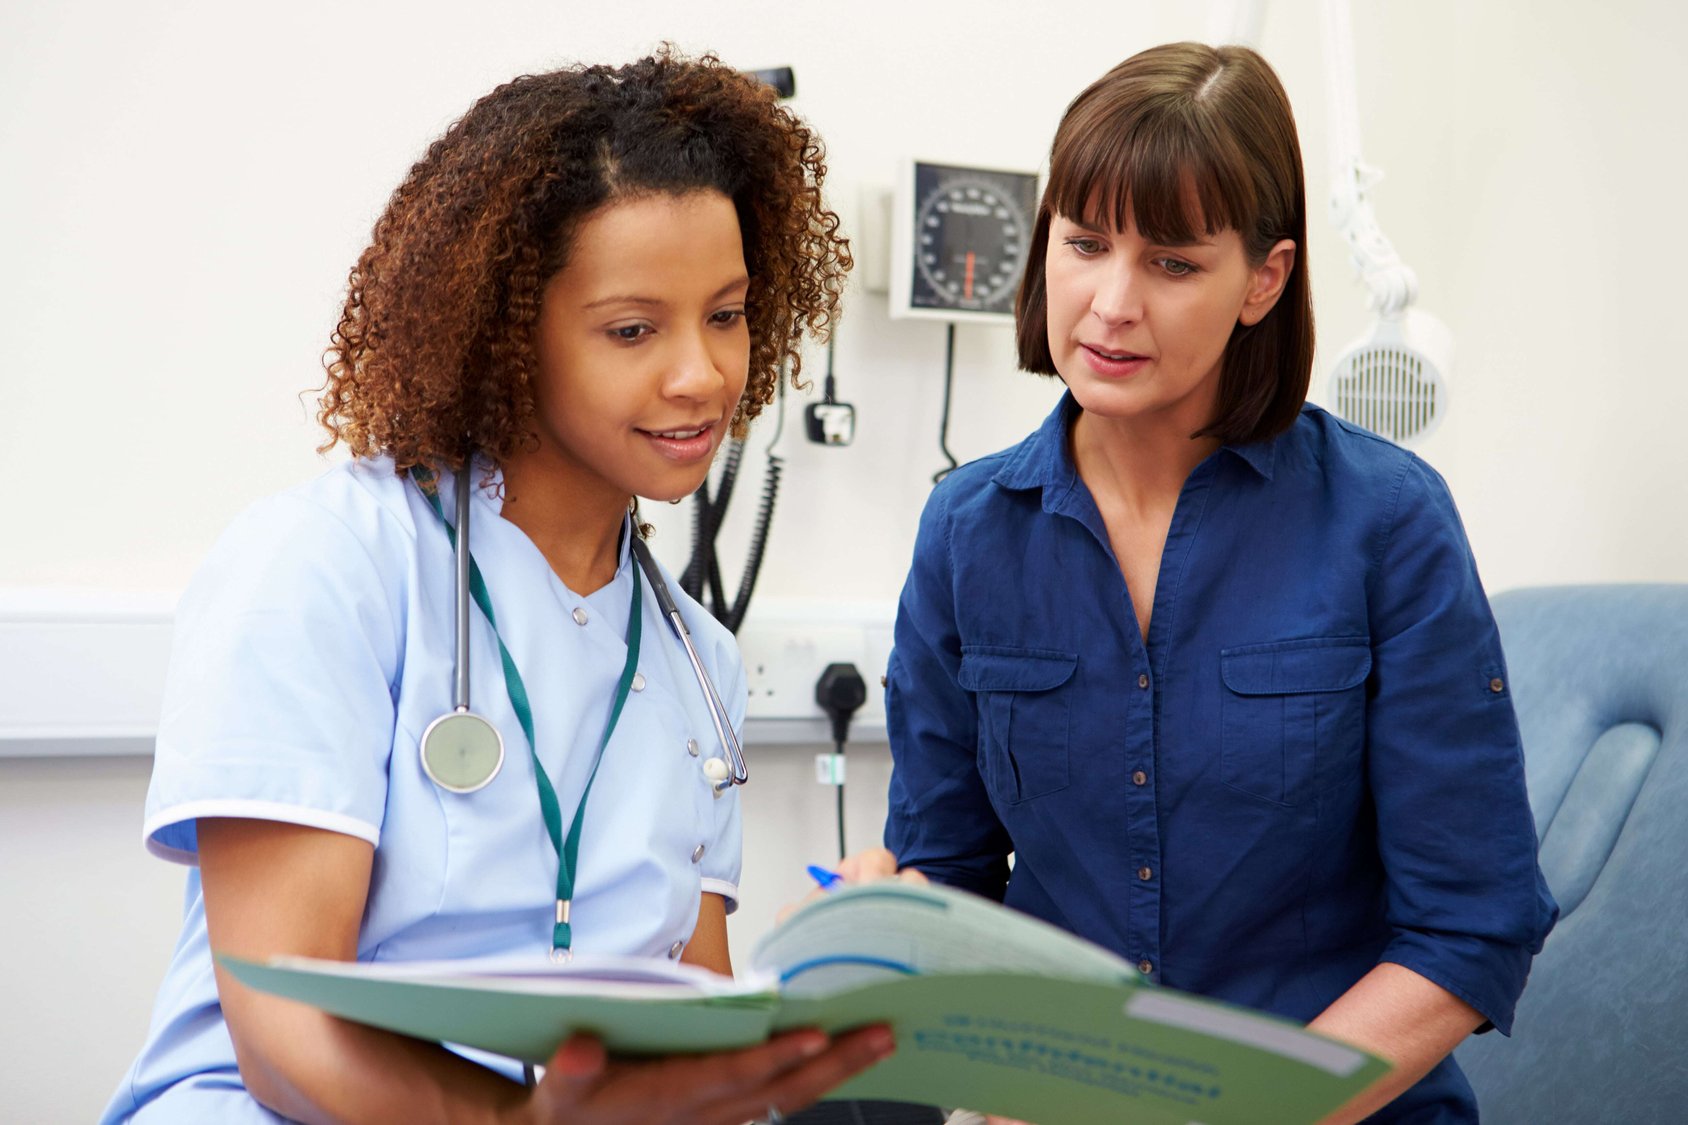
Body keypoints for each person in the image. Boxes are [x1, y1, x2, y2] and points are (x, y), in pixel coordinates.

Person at [102, 50, 892, 1124]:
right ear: (508, 330)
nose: (701, 375)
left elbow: (686, 1028)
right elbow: (282, 1034)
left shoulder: (693, 659)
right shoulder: (327, 569)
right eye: (631, 329)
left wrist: (844, 990)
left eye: (725, 313)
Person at [872, 42, 1557, 1124]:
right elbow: (943, 881)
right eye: (1084, 243)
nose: (1107, 303)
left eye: (1171, 263)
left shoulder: (1385, 522)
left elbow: (1469, 928)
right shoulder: (967, 533)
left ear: (1263, 280)